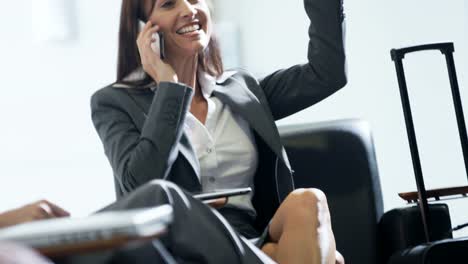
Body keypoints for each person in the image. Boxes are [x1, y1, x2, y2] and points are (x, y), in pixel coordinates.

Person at [91, 0, 347, 263]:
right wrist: (170, 88)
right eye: (168, 4)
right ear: (142, 29)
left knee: (309, 201)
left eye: (193, 0)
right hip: (183, 249)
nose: (189, 10)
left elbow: (326, 74)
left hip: (251, 237)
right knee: (323, 257)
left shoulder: (242, 89)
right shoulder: (113, 103)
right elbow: (140, 184)